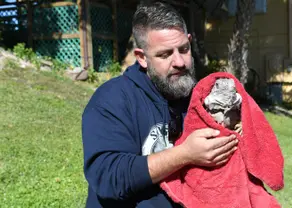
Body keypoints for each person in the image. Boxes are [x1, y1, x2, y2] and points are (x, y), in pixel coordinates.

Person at [81, 2, 238, 208]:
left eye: (183, 49)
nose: (180, 62)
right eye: (165, 54)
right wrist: (184, 154)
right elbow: (109, 177)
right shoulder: (112, 100)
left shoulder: (201, 97)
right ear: (142, 58)